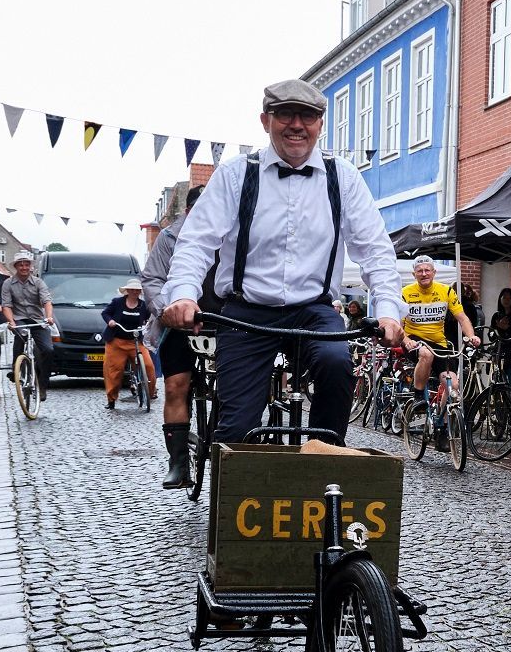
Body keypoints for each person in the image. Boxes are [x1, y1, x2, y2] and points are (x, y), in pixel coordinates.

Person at [160, 78, 403, 446]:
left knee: (338, 364)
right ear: (265, 120)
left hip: (313, 310)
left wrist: (387, 311)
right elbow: (196, 242)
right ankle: (230, 491)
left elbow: (375, 250)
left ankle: (324, 456)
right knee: (237, 429)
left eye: (307, 116)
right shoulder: (237, 174)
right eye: (285, 114)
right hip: (246, 311)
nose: (296, 125)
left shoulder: (344, 177)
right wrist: (183, 295)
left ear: (320, 124)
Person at [142, 185, 206, 488]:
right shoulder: (169, 238)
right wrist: (166, 310)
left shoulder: (233, 231)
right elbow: (152, 279)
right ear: (188, 211)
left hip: (223, 322)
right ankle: (178, 463)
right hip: (179, 324)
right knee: (176, 385)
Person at [402, 256, 480, 449]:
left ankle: (443, 427)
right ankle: (419, 396)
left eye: (427, 270)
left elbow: (462, 318)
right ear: (414, 274)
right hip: (414, 340)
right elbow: (397, 322)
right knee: (426, 355)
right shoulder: (406, 292)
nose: (424, 274)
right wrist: (406, 340)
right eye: (420, 271)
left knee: (453, 384)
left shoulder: (445, 291)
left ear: (434, 272)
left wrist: (471, 336)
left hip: (439, 342)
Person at [0, 251, 56, 401]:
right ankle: (16, 369)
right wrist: (11, 322)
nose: (24, 267)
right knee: (20, 337)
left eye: (26, 264)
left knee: (48, 350)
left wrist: (49, 316)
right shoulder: (8, 284)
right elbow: (6, 305)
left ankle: (43, 384)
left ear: (30, 267)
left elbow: (46, 301)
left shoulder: (38, 283)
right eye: (21, 265)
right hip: (19, 319)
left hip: (37, 319)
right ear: (16, 267)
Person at [101, 278, 157, 409]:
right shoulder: (117, 302)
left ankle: (149, 393)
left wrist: (150, 324)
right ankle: (111, 399)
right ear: (127, 290)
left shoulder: (143, 305)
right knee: (114, 371)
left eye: (137, 290)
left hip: (136, 341)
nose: (134, 292)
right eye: (132, 289)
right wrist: (110, 321)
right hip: (117, 342)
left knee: (149, 367)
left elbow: (150, 317)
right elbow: (105, 313)